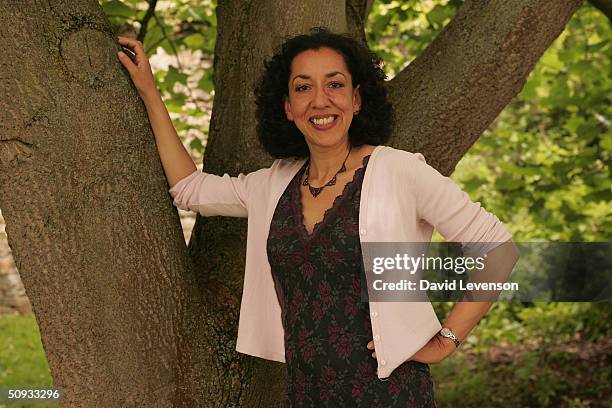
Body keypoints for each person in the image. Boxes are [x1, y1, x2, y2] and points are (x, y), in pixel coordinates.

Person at [117, 27, 520, 407]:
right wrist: (150, 93)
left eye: (335, 84)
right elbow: (191, 189)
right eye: (303, 88)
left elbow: (498, 250)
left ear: (357, 99)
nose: (320, 100)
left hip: (389, 393)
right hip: (305, 393)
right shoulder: (274, 184)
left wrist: (446, 340)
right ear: (289, 108)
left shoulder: (399, 172)